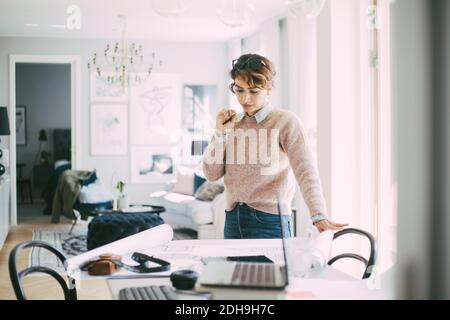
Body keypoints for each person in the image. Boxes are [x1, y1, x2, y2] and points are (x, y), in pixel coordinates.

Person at [202, 53, 347, 239]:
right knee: (237, 270)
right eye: (239, 90)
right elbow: (211, 174)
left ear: (269, 89)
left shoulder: (285, 122)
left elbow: (306, 171)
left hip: (270, 221)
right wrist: (220, 134)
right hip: (233, 219)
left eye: (254, 91)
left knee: (274, 271)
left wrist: (318, 213)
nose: (245, 99)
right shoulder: (233, 123)